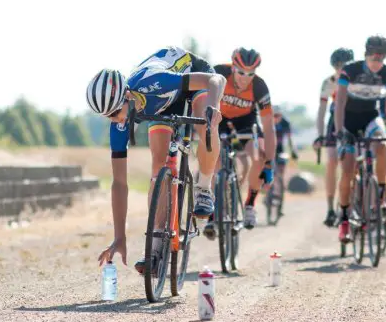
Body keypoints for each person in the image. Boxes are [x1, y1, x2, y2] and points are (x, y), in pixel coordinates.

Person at [89, 46, 226, 270]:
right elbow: (119, 183)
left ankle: (203, 188)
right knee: (158, 164)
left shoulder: (154, 80)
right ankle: (155, 247)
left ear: (127, 96)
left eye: (115, 113)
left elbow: (216, 79)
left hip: (191, 81)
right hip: (162, 103)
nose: (114, 121)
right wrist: (119, 237)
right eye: (107, 116)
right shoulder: (119, 122)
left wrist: (213, 106)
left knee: (206, 126)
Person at [203, 47, 276, 238]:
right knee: (214, 163)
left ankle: (250, 204)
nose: (245, 77)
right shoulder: (218, 72)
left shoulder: (260, 87)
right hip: (219, 119)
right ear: (233, 67)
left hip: (246, 122)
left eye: (251, 73)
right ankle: (212, 212)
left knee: (258, 157)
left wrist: (270, 163)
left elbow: (269, 128)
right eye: (241, 72)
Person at [334, 35, 386, 243]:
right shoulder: (350, 70)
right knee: (347, 171)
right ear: (366, 55)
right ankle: (344, 219)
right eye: (374, 59)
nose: (377, 63)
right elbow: (341, 101)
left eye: (381, 59)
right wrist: (339, 129)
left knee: (382, 144)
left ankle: (380, 194)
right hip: (350, 120)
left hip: (371, 117)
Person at [315, 48, 355, 227]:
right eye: (337, 67)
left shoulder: (358, 79)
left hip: (354, 119)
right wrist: (320, 135)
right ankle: (331, 208)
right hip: (335, 121)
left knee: (353, 164)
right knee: (331, 162)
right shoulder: (329, 82)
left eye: (344, 66)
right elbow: (322, 111)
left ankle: (354, 203)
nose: (340, 70)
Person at [271, 106, 298, 216]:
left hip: (280, 149)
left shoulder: (285, 123)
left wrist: (293, 151)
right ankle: (268, 190)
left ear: (281, 115)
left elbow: (290, 138)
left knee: (280, 173)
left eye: (278, 116)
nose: (276, 118)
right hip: (269, 148)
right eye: (274, 116)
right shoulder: (267, 121)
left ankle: (280, 196)